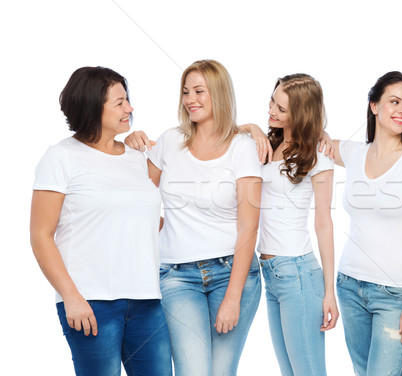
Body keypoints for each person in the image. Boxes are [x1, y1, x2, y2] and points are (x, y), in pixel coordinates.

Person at [30, 66, 172, 375]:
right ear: (93, 107)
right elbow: (41, 234)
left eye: (128, 100)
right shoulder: (61, 157)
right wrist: (71, 297)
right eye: (120, 102)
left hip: (147, 300)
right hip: (91, 303)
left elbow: (147, 224)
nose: (129, 108)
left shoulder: (137, 157)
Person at [125, 59, 262, 375]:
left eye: (199, 91)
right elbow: (133, 200)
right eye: (186, 92)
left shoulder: (242, 147)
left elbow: (248, 228)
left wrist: (233, 297)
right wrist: (129, 147)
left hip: (231, 272)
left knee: (220, 371)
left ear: (219, 94)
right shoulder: (170, 142)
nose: (190, 99)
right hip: (175, 275)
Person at [326, 71, 402, 375]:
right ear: (374, 105)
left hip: (395, 293)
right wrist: (253, 129)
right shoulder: (352, 152)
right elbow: (307, 136)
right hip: (349, 285)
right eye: (394, 101)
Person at [240, 73, 339, 375]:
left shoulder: (318, 156)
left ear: (301, 114)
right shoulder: (268, 145)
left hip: (297, 272)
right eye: (272, 101)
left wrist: (329, 291)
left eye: (281, 109)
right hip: (269, 272)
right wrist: (254, 128)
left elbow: (324, 222)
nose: (272, 110)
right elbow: (223, 131)